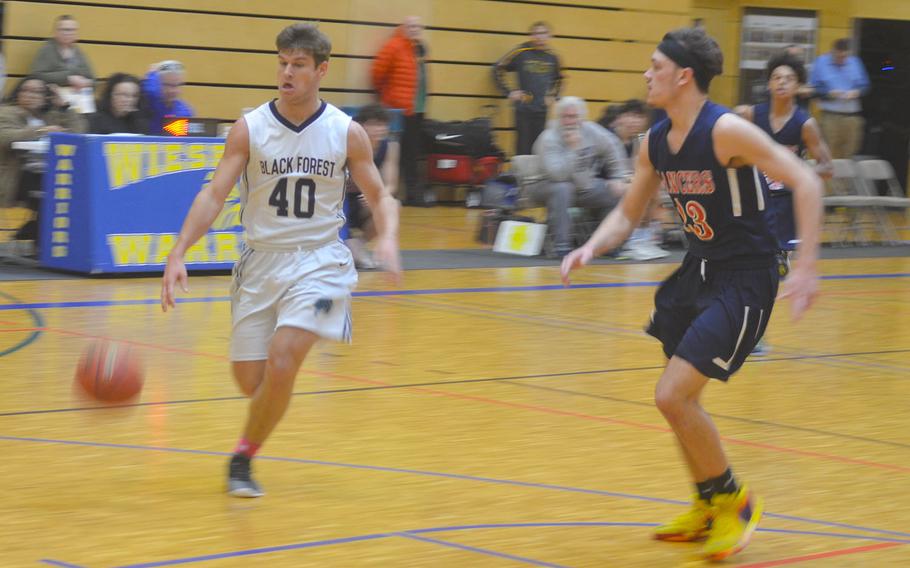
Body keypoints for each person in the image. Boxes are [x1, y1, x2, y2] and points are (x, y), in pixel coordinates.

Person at [560, 27, 823, 560]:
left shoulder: (726, 130)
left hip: (746, 277)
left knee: (671, 395)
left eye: (654, 65)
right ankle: (708, 505)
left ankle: (735, 503)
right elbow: (628, 213)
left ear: (683, 75)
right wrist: (592, 246)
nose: (646, 74)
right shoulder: (655, 141)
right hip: (697, 272)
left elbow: (807, 181)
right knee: (681, 402)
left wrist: (809, 266)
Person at [160, 23, 402, 498]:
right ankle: (256, 429)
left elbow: (380, 195)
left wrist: (389, 237)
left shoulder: (346, 132)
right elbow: (213, 195)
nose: (287, 73)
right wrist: (178, 251)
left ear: (321, 70)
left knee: (284, 358)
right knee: (252, 381)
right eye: (282, 63)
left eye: (298, 65)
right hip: (261, 261)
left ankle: (244, 456)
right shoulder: (250, 128)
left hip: (320, 262)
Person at [735, 52, 832, 356]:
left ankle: (754, 333)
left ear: (798, 86)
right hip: (752, 200)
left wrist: (796, 171)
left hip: (784, 207)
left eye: (788, 78)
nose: (781, 82)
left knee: (767, 271)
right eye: (776, 77)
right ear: (768, 84)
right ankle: (741, 329)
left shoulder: (805, 125)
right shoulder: (750, 115)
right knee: (744, 267)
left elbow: (826, 167)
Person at [529, 96, 629, 258]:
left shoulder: (591, 130)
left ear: (581, 118)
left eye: (574, 117)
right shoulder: (548, 138)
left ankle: (608, 244)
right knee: (563, 188)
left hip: (582, 186)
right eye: (565, 117)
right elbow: (557, 175)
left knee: (615, 191)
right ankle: (561, 246)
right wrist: (573, 149)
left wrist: (619, 177)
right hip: (544, 186)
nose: (570, 121)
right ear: (559, 118)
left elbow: (614, 148)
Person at [0, 77, 87, 252]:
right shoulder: (6, 113)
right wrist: (40, 131)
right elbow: (6, 138)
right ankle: (38, 237)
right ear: (18, 93)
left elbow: (79, 135)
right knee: (54, 188)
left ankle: (37, 234)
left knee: (70, 185)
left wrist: (64, 107)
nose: (31, 95)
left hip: (44, 172)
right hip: (13, 175)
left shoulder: (49, 116)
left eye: (37, 91)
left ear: (46, 97)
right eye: (26, 90)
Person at [371, 16, 428, 205]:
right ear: (403, 27)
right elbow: (377, 72)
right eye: (411, 26)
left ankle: (412, 194)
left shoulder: (417, 49)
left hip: (414, 110)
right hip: (396, 109)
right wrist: (386, 96)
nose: (414, 29)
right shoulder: (394, 45)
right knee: (392, 154)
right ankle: (389, 192)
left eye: (417, 27)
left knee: (410, 154)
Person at [342, 103, 399, 269]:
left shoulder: (390, 147)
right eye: (374, 124)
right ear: (362, 126)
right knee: (347, 259)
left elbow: (390, 185)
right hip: (341, 201)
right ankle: (347, 244)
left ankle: (359, 243)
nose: (379, 129)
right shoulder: (350, 143)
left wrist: (374, 195)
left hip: (363, 201)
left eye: (382, 125)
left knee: (392, 205)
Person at [494, 21, 562, 156]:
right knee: (522, 149)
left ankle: (536, 177)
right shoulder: (521, 52)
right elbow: (497, 69)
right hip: (523, 109)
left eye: (543, 33)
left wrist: (553, 96)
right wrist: (509, 92)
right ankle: (521, 176)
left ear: (549, 36)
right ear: (531, 35)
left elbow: (559, 79)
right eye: (536, 33)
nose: (540, 37)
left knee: (539, 148)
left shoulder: (552, 57)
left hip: (542, 110)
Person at [809, 38, 870, 158]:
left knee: (850, 152)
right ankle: (830, 177)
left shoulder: (855, 62)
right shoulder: (821, 62)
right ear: (832, 51)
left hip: (852, 116)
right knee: (829, 153)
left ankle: (845, 177)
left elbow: (865, 86)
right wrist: (828, 93)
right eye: (839, 57)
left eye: (845, 57)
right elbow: (813, 89)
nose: (842, 60)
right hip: (830, 115)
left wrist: (857, 92)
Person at [28, 15, 95, 91]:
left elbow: (92, 79)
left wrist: (85, 83)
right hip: (52, 97)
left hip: (77, 97)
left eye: (73, 30)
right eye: (65, 30)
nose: (69, 33)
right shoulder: (47, 49)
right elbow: (36, 76)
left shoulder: (78, 51)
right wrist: (68, 78)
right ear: (55, 32)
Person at [143, 60, 193, 135]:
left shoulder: (185, 112)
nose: (172, 91)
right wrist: (152, 73)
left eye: (177, 85)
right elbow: (148, 87)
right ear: (158, 84)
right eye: (167, 85)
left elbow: (179, 139)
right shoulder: (151, 97)